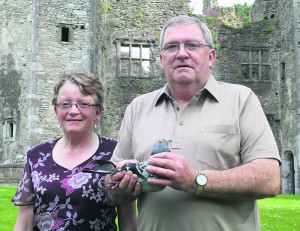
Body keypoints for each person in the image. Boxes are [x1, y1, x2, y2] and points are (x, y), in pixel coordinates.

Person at [105, 15, 281, 231]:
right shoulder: (137, 107)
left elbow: (269, 179)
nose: (181, 53)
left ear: (211, 56)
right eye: (171, 47)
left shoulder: (241, 99)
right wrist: (121, 184)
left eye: (192, 45)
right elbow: (111, 189)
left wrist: (194, 180)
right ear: (161, 60)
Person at [12, 71, 137, 231]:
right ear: (56, 111)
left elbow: (129, 223)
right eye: (65, 104)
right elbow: (24, 223)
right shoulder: (36, 156)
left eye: (83, 104)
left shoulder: (116, 152)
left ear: (97, 112)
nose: (73, 111)